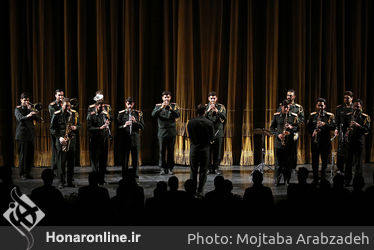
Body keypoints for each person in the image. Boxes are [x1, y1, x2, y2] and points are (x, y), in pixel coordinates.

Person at [50, 98, 80, 188]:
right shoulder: (57, 114)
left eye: (69, 105)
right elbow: (52, 129)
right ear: (61, 105)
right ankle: (61, 182)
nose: (68, 107)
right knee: (61, 163)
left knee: (71, 163)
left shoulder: (73, 113)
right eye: (66, 106)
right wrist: (59, 137)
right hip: (61, 140)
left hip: (71, 141)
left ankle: (70, 181)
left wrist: (75, 127)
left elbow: (79, 124)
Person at [306, 98, 336, 183]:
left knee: (324, 161)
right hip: (315, 141)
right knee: (315, 161)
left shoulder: (330, 116)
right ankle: (315, 177)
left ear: (325, 106)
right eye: (319, 105)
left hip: (325, 141)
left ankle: (323, 177)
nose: (320, 107)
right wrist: (313, 132)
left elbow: (333, 126)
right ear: (316, 105)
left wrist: (324, 124)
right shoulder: (312, 115)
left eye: (322, 105)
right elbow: (308, 127)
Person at [187, 104, 214, 195]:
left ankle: (193, 189)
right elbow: (212, 138)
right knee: (203, 170)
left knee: (193, 170)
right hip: (205, 150)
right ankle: (200, 189)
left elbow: (189, 135)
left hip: (194, 149)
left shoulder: (190, 122)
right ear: (205, 112)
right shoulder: (209, 123)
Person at [270, 100, 299, 185]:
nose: (286, 109)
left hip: (289, 143)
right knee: (278, 163)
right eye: (284, 107)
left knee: (288, 163)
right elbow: (272, 128)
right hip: (279, 143)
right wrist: (278, 135)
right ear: (281, 107)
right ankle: (277, 180)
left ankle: (287, 180)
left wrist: (291, 127)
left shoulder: (293, 116)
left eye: (287, 107)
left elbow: (297, 129)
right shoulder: (276, 116)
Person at [151, 91, 180, 175]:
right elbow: (153, 115)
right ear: (162, 98)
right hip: (162, 132)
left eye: (168, 97)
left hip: (171, 132)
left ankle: (170, 168)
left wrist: (170, 108)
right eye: (165, 97)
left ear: (170, 98)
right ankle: (162, 168)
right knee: (162, 151)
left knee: (171, 151)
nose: (166, 99)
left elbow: (178, 115)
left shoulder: (174, 106)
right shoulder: (158, 106)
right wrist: (161, 108)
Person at [343, 99, 371, 186]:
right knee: (348, 161)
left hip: (359, 141)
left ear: (361, 106)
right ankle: (347, 180)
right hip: (350, 141)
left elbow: (367, 130)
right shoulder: (348, 115)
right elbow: (344, 127)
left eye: (358, 106)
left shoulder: (365, 117)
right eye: (355, 106)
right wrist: (347, 130)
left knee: (358, 162)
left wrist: (358, 125)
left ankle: (357, 180)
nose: (356, 108)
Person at [117, 97, 144, 178]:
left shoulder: (138, 113)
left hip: (135, 139)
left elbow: (142, 127)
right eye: (128, 103)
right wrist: (124, 125)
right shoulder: (121, 114)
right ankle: (124, 174)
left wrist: (135, 121)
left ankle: (135, 174)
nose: (129, 105)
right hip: (125, 139)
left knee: (135, 158)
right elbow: (117, 127)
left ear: (133, 104)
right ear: (126, 104)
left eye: (131, 103)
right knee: (125, 158)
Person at [15, 92, 40, 179]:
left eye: (28, 100)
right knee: (23, 156)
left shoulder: (30, 109)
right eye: (25, 100)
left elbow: (38, 119)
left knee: (29, 155)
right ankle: (22, 174)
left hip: (30, 135)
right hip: (22, 135)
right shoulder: (18, 109)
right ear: (21, 100)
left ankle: (28, 173)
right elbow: (20, 118)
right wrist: (29, 114)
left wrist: (33, 111)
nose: (27, 102)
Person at [88, 90, 112, 173]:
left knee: (104, 155)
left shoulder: (107, 107)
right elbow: (90, 121)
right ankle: (95, 172)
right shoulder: (91, 107)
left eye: (101, 97)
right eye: (98, 97)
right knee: (94, 156)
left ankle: (103, 171)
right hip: (95, 135)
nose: (99, 99)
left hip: (104, 135)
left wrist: (108, 120)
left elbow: (111, 118)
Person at [205, 91, 226, 174]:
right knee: (208, 151)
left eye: (214, 98)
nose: (212, 100)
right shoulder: (206, 107)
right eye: (211, 98)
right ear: (208, 99)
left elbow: (224, 117)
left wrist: (217, 111)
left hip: (218, 132)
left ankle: (216, 168)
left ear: (216, 98)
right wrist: (209, 110)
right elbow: (201, 117)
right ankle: (208, 168)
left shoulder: (221, 107)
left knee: (217, 151)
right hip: (208, 132)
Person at [334, 91, 354, 175]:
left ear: (352, 98)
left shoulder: (354, 108)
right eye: (345, 98)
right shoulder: (340, 108)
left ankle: (349, 170)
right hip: (342, 131)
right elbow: (337, 120)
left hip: (351, 132)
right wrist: (336, 129)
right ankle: (340, 168)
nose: (346, 99)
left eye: (348, 98)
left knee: (349, 152)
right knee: (340, 151)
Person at [48, 89, 64, 174]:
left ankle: (60, 169)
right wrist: (63, 107)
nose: (61, 97)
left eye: (62, 95)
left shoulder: (64, 104)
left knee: (60, 150)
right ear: (55, 95)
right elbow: (55, 115)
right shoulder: (52, 105)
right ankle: (54, 169)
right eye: (59, 95)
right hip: (55, 129)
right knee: (55, 149)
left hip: (62, 129)